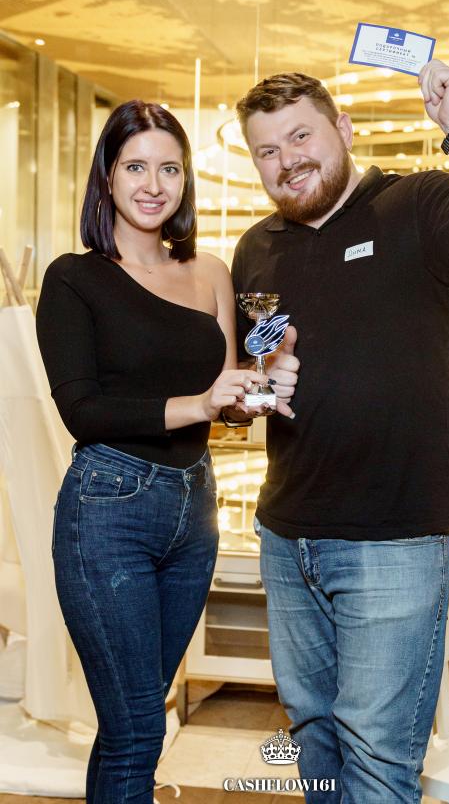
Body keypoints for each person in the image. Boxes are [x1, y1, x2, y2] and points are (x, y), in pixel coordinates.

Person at [230, 60, 449, 802]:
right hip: (286, 538)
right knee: (314, 741)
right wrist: (254, 390)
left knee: (378, 760)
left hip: (394, 542)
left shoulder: (418, 201)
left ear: (343, 129)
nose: (287, 160)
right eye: (267, 150)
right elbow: (253, 379)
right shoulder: (255, 248)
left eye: (301, 136)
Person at [35, 101, 279, 802]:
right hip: (108, 509)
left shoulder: (209, 272)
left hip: (194, 510)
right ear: (107, 176)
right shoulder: (73, 278)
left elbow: (226, 398)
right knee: (141, 729)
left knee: (131, 725)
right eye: (135, 166)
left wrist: (257, 390)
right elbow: (83, 411)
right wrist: (200, 404)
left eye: (169, 169)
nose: (153, 184)